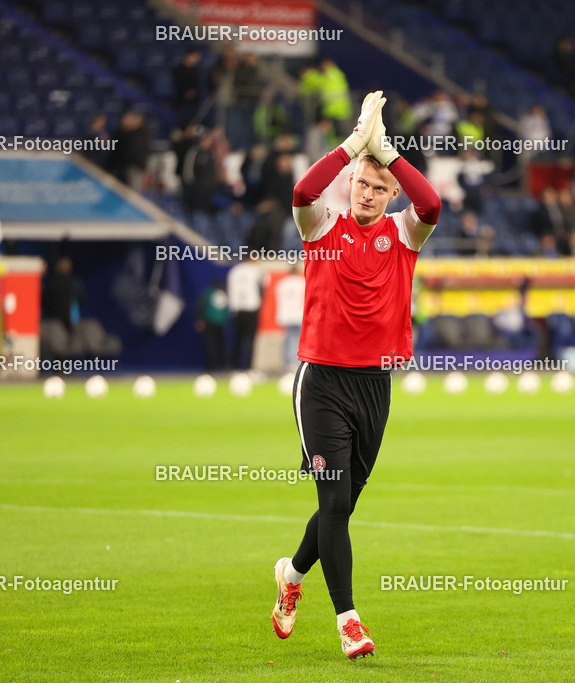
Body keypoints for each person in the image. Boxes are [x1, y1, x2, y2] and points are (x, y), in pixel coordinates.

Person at [271, 91, 440, 660]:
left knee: (339, 505)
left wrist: (387, 152)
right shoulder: (321, 227)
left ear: (391, 193)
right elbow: (301, 192)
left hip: (375, 385)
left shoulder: (403, 235)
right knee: (336, 504)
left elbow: (433, 203)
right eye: (359, 184)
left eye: (377, 186)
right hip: (321, 383)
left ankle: (291, 576)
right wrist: (352, 146)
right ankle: (348, 619)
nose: (366, 194)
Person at [227, 256, 263, 370]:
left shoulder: (234, 271)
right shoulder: (256, 271)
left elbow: (229, 289)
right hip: (251, 308)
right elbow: (262, 288)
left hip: (237, 309)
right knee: (250, 339)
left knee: (238, 339)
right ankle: (249, 368)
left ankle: (234, 367)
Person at [274, 265, 305, 370]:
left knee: (288, 340)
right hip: (299, 315)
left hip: (286, 315)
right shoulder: (302, 282)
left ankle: (288, 363)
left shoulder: (282, 283)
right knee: (299, 341)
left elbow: (278, 299)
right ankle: (296, 363)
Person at [195, 279, 229, 371]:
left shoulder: (208, 292)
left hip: (210, 322)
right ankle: (224, 366)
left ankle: (212, 366)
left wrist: (200, 319)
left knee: (211, 345)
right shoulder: (223, 293)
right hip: (219, 323)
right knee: (219, 345)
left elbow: (201, 305)